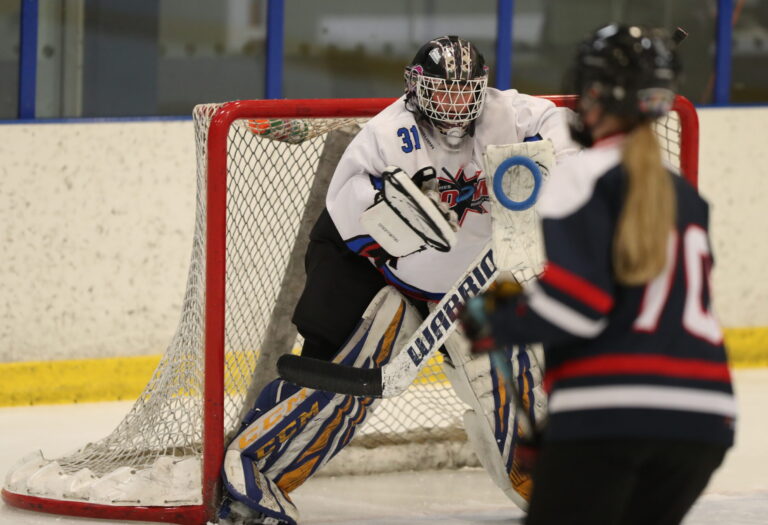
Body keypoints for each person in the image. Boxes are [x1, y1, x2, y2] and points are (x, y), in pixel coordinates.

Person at [219, 35, 576, 525]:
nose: (454, 102)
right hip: (397, 287)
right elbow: (348, 214)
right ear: (416, 87)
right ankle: (249, 480)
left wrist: (561, 156)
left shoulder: (505, 113)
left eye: (464, 90)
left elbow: (564, 125)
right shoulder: (387, 135)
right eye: (442, 90)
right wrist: (395, 216)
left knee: (512, 386)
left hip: (479, 286)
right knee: (346, 379)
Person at [460, 24, 736, 525]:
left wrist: (499, 320)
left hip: (613, 413)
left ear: (592, 94)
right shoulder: (683, 192)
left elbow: (578, 306)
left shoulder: (582, 174)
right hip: (704, 419)